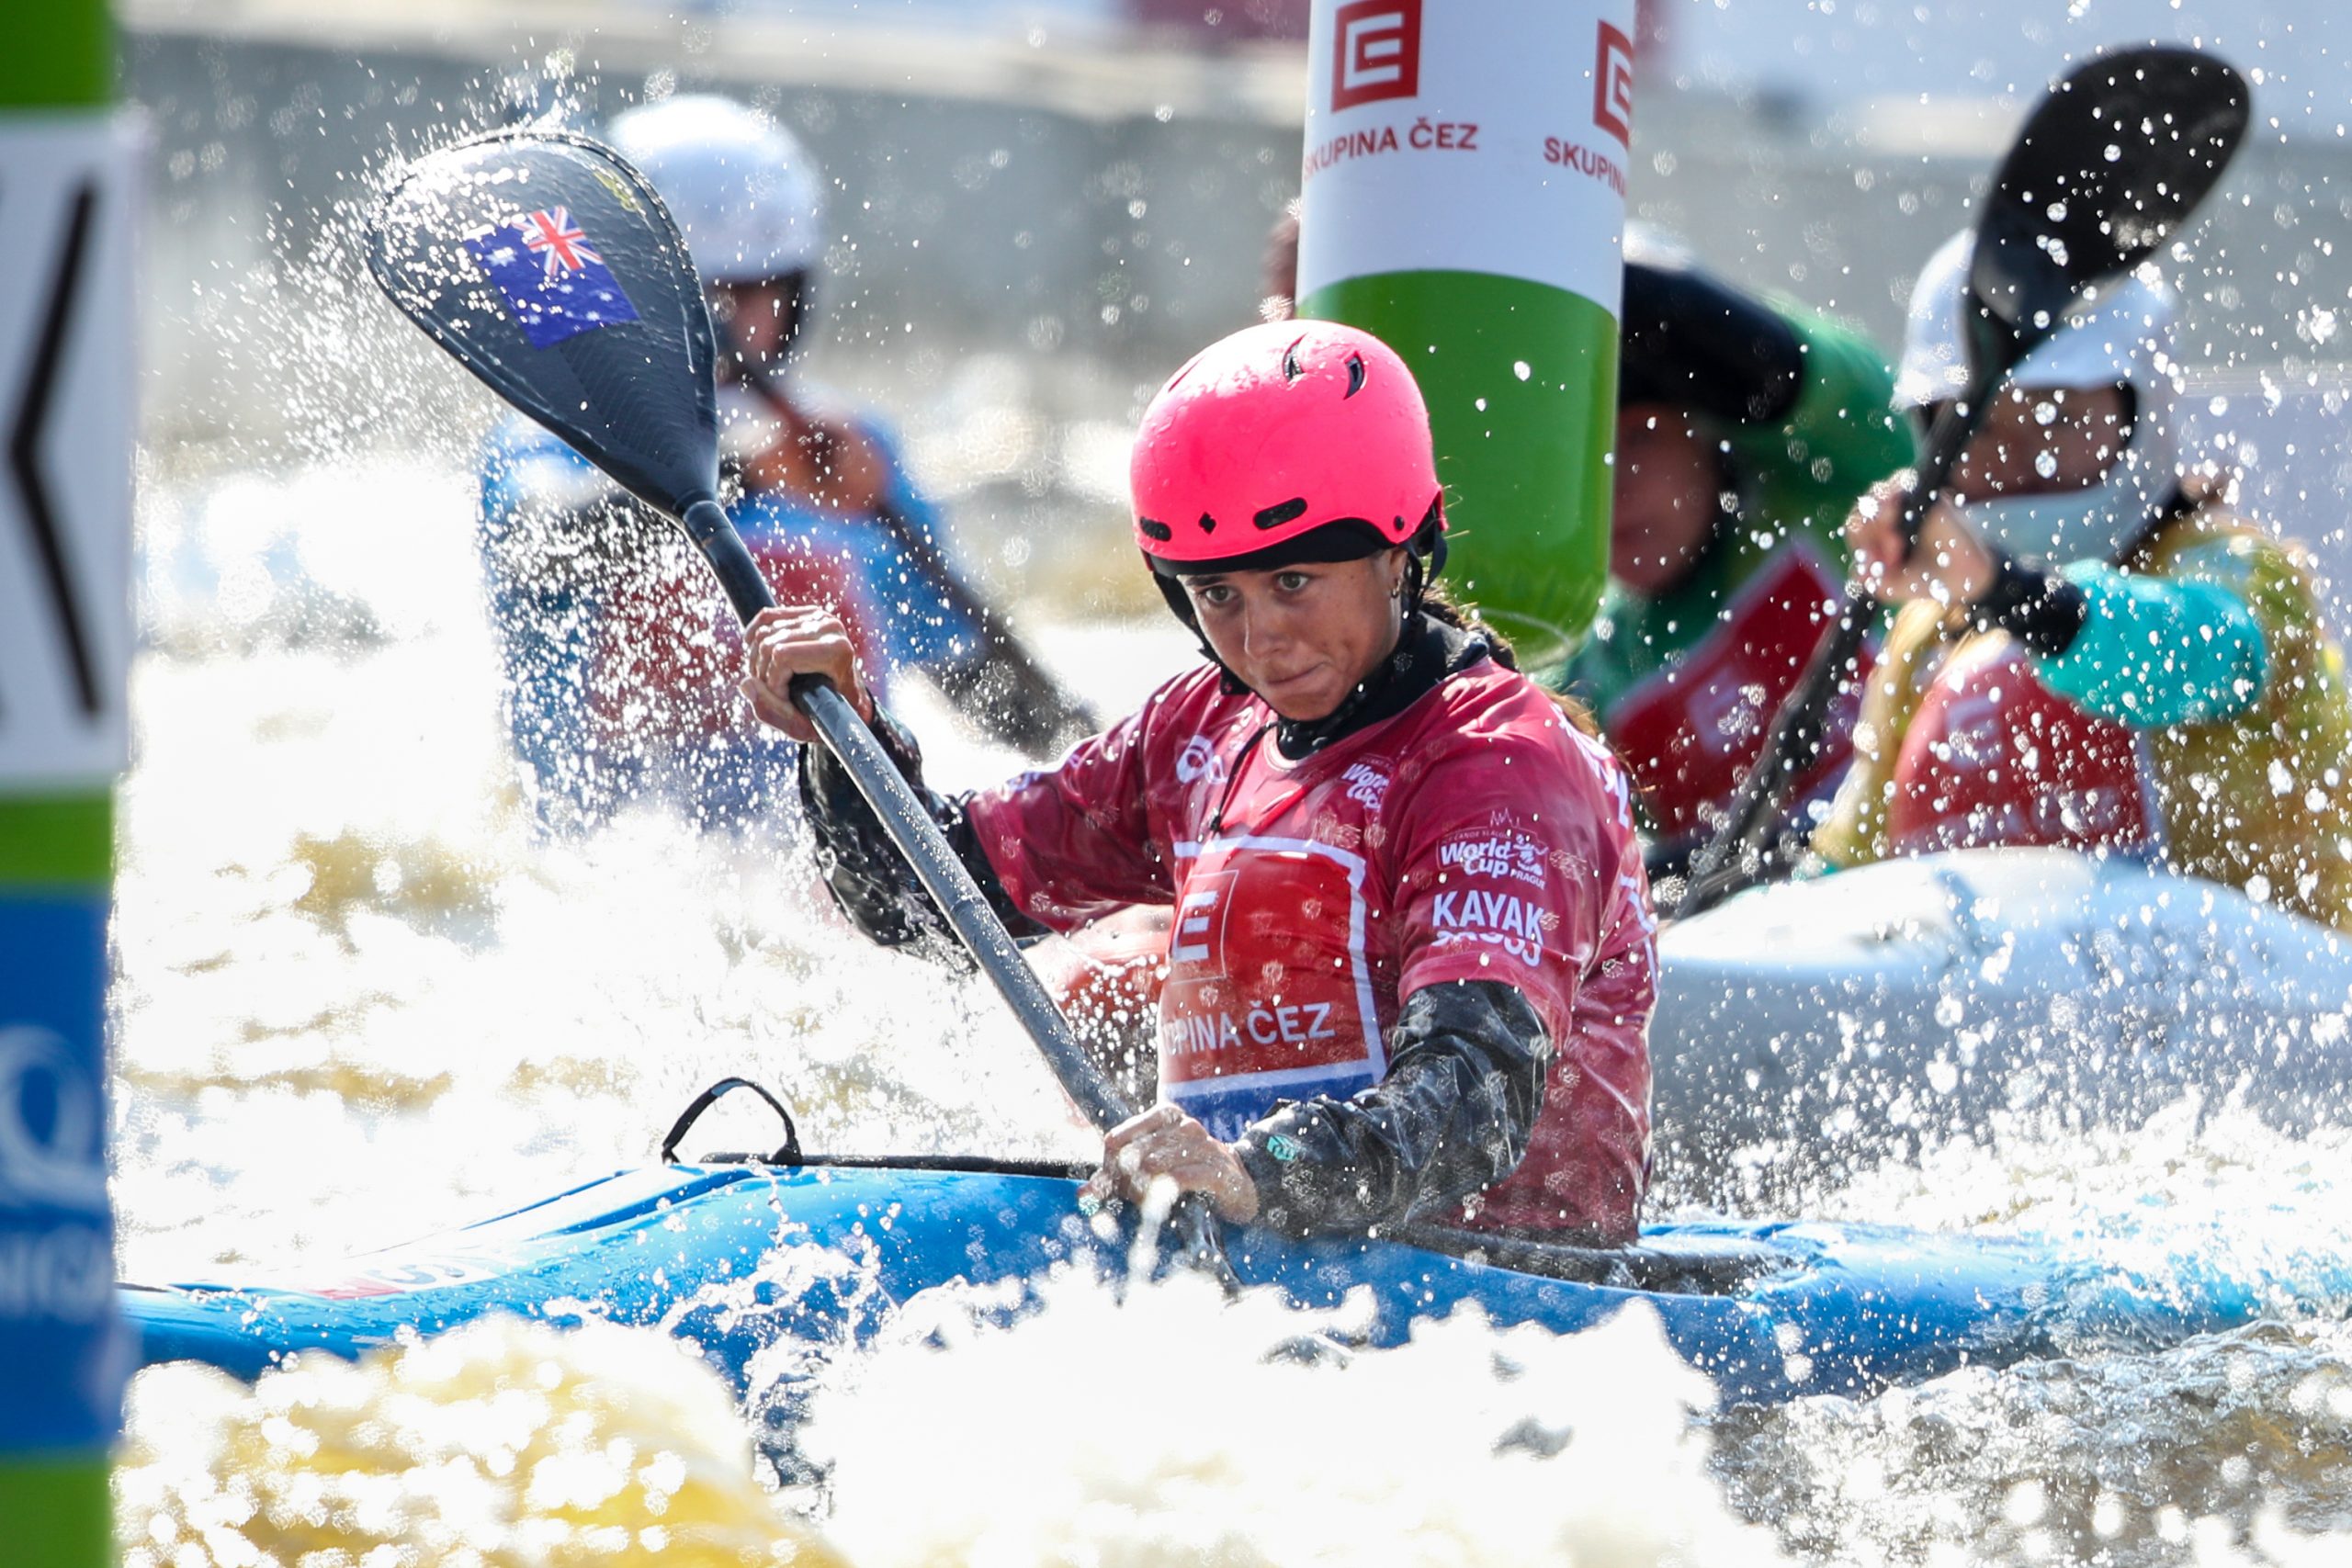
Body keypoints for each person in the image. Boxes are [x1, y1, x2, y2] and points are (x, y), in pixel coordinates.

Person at [739, 321, 1657, 1240]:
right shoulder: (1200, 733)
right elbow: (920, 900)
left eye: (1293, 582)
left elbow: (1474, 1102)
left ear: (1400, 549)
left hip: (1500, 1293)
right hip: (1250, 1259)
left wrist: (1255, 1174)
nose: (1260, 642)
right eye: (1219, 596)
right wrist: (842, 737)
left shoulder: (1494, 764)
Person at [479, 95, 1084, 831]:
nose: (736, 323)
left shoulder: (853, 447)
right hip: (614, 864)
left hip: (834, 876)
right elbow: (541, 543)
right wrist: (749, 470)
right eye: (706, 297)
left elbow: (982, 680)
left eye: (757, 291)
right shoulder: (554, 438)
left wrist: (1097, 776)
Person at [1813, 227, 2352, 933]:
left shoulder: (2239, 570)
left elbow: (2184, 659)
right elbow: (1844, 883)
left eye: (2052, 416)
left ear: (2140, 409)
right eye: (1977, 426)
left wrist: (2003, 591)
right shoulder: (1924, 640)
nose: (2013, 456)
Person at [1556, 232, 1916, 859]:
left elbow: (1853, 391)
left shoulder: (1832, 500)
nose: (1612, 484)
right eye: (1587, 458)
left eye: (1641, 438)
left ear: (1711, 443)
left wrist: (1626, 281)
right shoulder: (1591, 671)